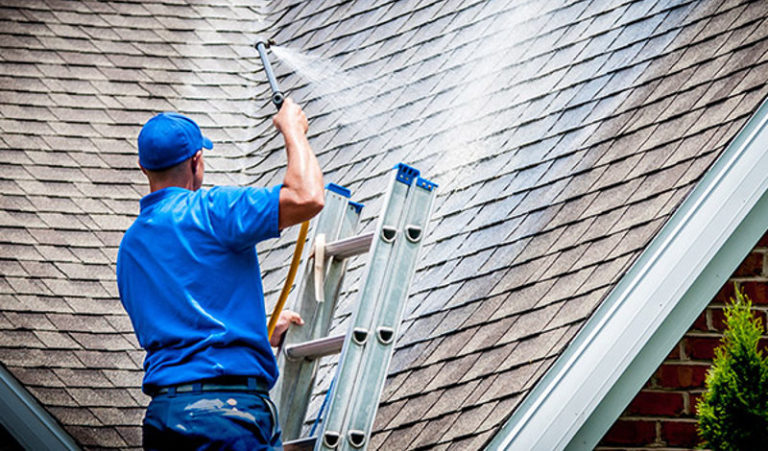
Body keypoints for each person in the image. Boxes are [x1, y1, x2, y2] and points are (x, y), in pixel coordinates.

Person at [116, 98, 324, 450]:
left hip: (164, 419)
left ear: (143, 166)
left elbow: (181, 323)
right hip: (227, 417)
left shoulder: (130, 248)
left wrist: (256, 333)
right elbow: (307, 197)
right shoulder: (213, 210)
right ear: (197, 161)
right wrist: (293, 129)